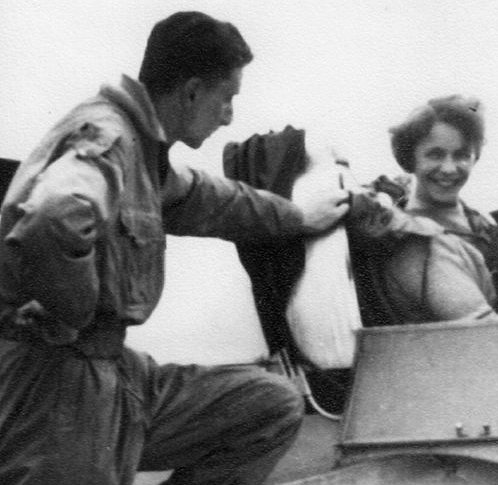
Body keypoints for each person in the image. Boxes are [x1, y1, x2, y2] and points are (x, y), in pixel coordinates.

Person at [0, 12, 350, 485]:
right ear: (189, 92)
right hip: (56, 389)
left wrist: (300, 216)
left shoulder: (145, 156)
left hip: (113, 372)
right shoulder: (107, 139)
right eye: (225, 98)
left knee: (267, 408)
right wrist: (73, 312)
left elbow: (216, 201)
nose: (229, 115)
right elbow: (53, 217)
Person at [350, 95, 498, 325]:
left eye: (462, 155)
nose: (449, 168)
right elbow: (483, 333)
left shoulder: (482, 225)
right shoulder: (413, 241)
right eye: (435, 154)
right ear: (411, 158)